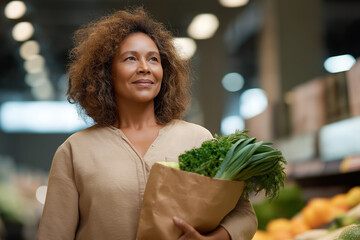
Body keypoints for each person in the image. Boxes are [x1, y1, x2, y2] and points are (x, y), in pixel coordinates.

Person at [36, 7, 258, 240]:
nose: (145, 67)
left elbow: (244, 215)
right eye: (130, 58)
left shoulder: (197, 139)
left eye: (153, 59)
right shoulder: (75, 151)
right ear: (106, 72)